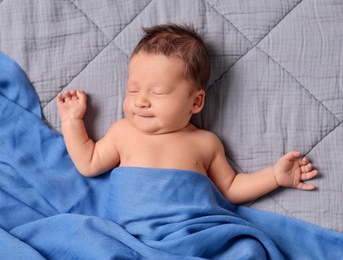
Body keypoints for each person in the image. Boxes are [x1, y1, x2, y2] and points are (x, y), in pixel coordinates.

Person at [57, 24, 318, 204]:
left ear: (196, 102)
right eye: (133, 90)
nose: (141, 102)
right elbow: (88, 162)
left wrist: (274, 176)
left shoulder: (205, 142)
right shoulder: (122, 132)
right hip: (131, 233)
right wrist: (72, 120)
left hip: (188, 229)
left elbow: (230, 188)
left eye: (158, 92)